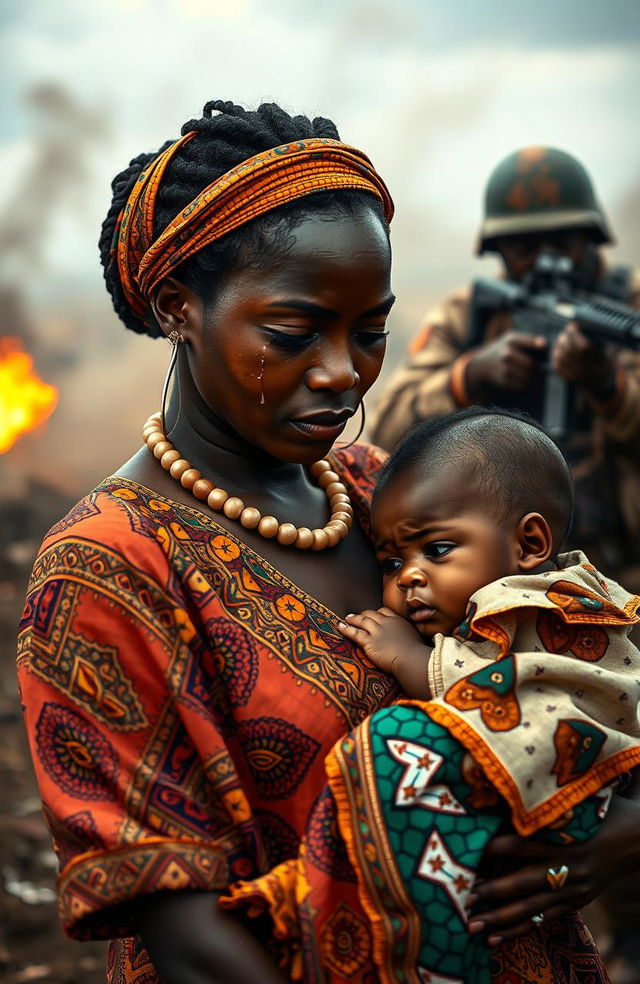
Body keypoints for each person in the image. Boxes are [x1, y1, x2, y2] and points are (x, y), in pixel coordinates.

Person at [14, 102, 635, 984]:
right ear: (179, 308)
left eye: (370, 331)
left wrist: (612, 839)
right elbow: (185, 936)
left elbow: (585, 665)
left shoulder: (391, 490)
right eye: (294, 333)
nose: (345, 372)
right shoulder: (108, 567)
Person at [223, 406, 640, 983]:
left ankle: (421, 955)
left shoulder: (543, 608)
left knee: (396, 746)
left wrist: (410, 658)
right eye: (393, 562)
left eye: (437, 551)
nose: (409, 577)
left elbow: (505, 695)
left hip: (559, 805)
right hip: (530, 830)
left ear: (530, 542)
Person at [369, 146, 640, 600]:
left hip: (624, 566)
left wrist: (608, 385)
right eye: (523, 248)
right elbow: (385, 430)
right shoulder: (467, 315)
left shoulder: (624, 308)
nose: (545, 261)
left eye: (564, 243)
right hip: (499, 580)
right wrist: (469, 377)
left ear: (590, 238)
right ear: (497, 249)